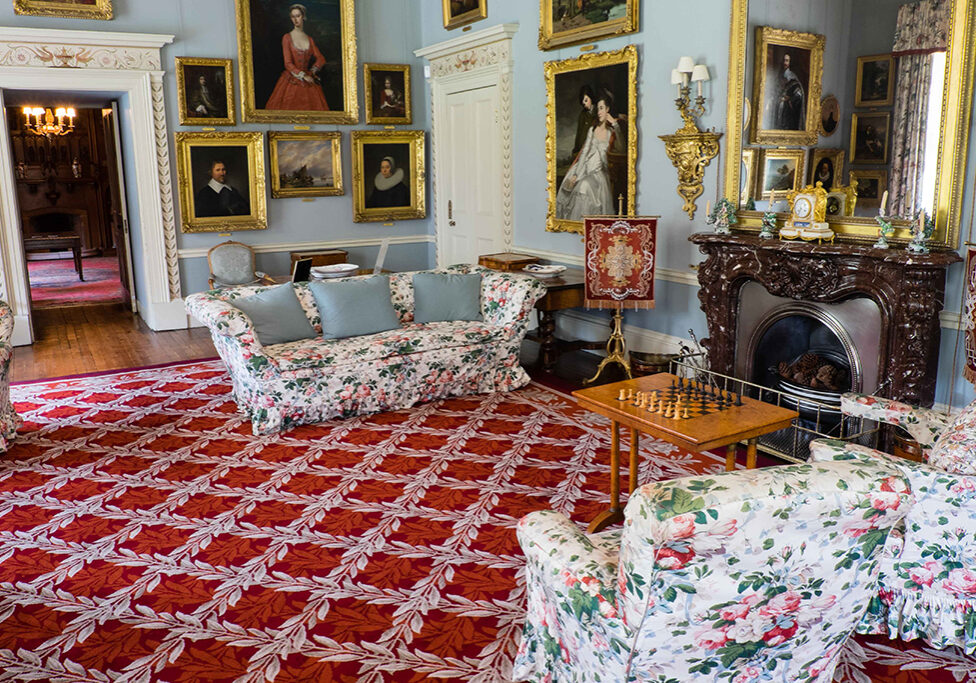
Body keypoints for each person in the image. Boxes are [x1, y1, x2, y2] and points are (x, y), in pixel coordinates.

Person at [555, 93, 625, 221]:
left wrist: (615, 124)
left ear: (608, 109)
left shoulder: (611, 132)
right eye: (597, 108)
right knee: (571, 185)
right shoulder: (592, 130)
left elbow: (622, 148)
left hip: (599, 173)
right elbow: (585, 152)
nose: (599, 112)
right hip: (584, 168)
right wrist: (576, 173)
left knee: (585, 186)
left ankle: (586, 223)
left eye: (602, 108)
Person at [265, 4, 329, 112]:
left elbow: (321, 59)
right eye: (293, 17)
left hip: (308, 80)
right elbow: (288, 63)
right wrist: (303, 76)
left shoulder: (309, 39)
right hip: (291, 80)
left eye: (298, 16)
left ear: (303, 16)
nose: (295, 19)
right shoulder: (287, 38)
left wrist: (313, 71)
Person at [769, 52, 805, 130]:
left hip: (788, 111)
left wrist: (789, 99)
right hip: (778, 108)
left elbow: (799, 94)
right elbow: (774, 91)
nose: (784, 63)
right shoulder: (778, 75)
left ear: (789, 62)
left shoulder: (792, 76)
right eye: (783, 60)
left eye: (787, 60)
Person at [572, 85, 596, 157]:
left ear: (591, 98)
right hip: (583, 148)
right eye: (583, 102)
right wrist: (576, 149)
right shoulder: (582, 115)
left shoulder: (598, 111)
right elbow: (579, 133)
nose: (584, 103)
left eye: (586, 100)